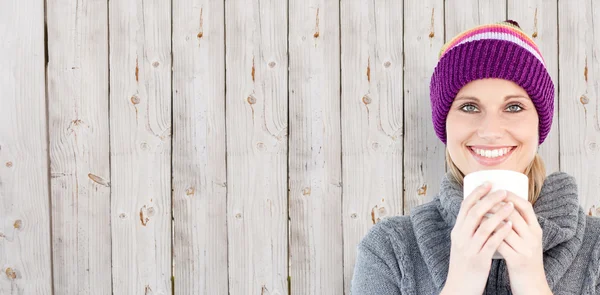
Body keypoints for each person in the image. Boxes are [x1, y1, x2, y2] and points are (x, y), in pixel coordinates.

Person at [350, 20, 600, 294]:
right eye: (469, 107)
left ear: (539, 124)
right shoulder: (389, 249)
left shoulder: (595, 249)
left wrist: (532, 283)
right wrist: (461, 284)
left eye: (514, 107)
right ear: (444, 123)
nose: (490, 131)